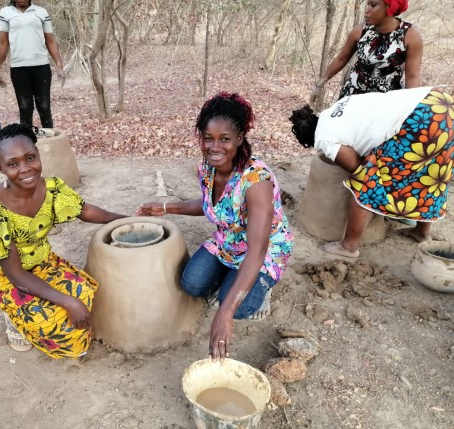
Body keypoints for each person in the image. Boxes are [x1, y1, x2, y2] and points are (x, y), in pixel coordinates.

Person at [137, 93, 294, 360]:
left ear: (239, 139)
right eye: (208, 138)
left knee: (237, 307)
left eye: (224, 139)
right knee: (192, 283)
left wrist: (224, 314)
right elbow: (214, 205)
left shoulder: (257, 181)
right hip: (228, 242)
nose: (214, 147)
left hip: (263, 252)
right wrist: (165, 207)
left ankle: (262, 289)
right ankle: (232, 284)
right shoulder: (207, 168)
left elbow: (257, 251)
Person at [0, 124, 126, 358]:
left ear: (38, 154)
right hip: (7, 277)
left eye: (30, 158)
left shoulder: (52, 188)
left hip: (42, 262)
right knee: (57, 320)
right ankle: (15, 324)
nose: (25, 169)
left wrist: (125, 220)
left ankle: (41, 315)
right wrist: (67, 302)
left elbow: (85, 211)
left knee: (85, 292)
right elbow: (16, 275)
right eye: (13, 164)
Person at [290, 87, 454, 258]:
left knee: (366, 181)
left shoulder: (324, 138)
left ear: (310, 140)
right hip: (440, 105)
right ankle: (422, 231)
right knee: (430, 171)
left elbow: (360, 169)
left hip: (419, 122)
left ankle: (348, 246)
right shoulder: (335, 109)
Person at [310, 0, 422, 104]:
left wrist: (410, 106)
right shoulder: (361, 30)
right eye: (367, 4)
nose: (367, 9)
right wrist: (319, 85)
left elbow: (412, 77)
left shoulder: (409, 35)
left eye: (373, 5)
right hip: (353, 97)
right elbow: (341, 59)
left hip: (387, 102)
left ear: (389, 7)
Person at [0, 0, 65, 129]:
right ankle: (27, 144)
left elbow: (50, 40)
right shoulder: (5, 13)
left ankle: (50, 143)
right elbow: (3, 43)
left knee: (44, 107)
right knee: (25, 108)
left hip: (41, 67)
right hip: (18, 69)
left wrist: (59, 65)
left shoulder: (41, 12)